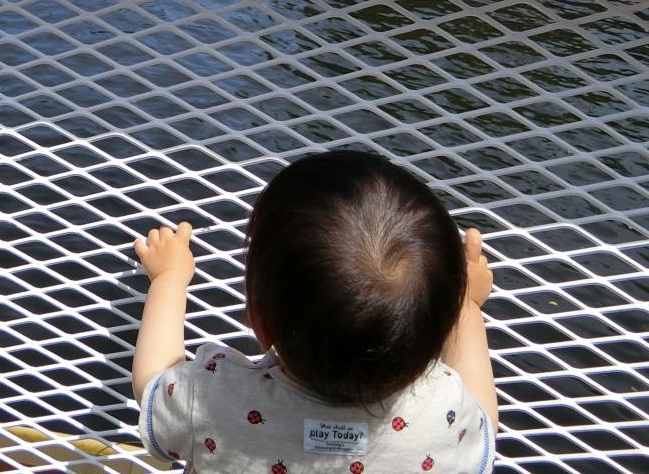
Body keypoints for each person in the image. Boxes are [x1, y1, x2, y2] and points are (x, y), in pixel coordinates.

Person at [133, 150, 497, 474]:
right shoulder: (442, 414)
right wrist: (467, 308)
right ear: (442, 329)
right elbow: (485, 425)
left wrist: (169, 280)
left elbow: (153, 384)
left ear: (260, 323)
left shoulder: (214, 399)